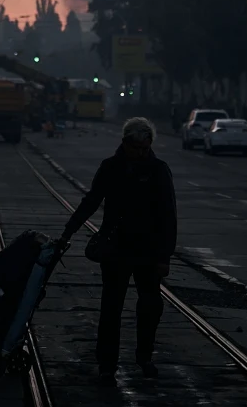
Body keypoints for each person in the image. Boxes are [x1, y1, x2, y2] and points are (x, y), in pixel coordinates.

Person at [60, 117, 177, 386]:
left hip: (148, 250)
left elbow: (168, 217)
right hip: (116, 249)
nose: (141, 153)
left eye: (146, 148)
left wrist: (164, 256)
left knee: (149, 307)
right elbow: (91, 201)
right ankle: (106, 364)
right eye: (137, 148)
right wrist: (69, 231)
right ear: (125, 143)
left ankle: (144, 357)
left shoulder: (158, 170)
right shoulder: (110, 168)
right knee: (111, 308)